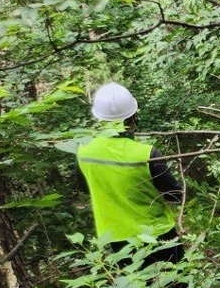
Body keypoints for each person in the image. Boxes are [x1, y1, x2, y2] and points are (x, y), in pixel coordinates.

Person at [77, 82, 184, 270]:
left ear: (98, 118)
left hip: (118, 240)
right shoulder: (147, 154)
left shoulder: (84, 152)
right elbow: (175, 194)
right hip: (158, 235)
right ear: (133, 117)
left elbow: (85, 187)